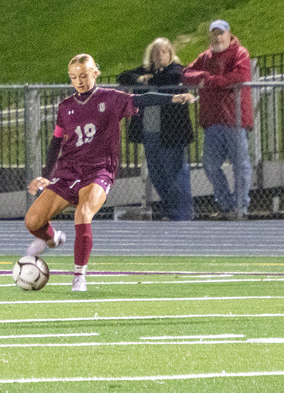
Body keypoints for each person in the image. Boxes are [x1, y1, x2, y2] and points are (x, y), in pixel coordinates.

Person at [25, 54, 194, 292]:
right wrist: (46, 174)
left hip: (98, 171)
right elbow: (56, 143)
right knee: (32, 221)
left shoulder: (111, 98)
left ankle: (79, 276)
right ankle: (52, 238)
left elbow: (142, 99)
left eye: (84, 75)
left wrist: (173, 97)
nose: (79, 81)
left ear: (96, 74)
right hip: (68, 172)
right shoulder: (65, 107)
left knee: (83, 213)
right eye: (74, 77)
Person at [116, 38, 195, 221]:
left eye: (164, 52)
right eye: (156, 52)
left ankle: (183, 213)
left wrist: (147, 81)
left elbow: (168, 79)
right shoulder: (146, 71)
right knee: (157, 172)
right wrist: (140, 79)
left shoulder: (176, 70)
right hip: (149, 130)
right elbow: (124, 76)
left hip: (171, 132)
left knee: (175, 172)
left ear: (170, 54)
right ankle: (170, 210)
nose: (159, 55)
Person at [182, 20, 253, 220]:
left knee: (241, 165)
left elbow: (240, 75)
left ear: (229, 34)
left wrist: (211, 81)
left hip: (235, 120)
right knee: (210, 165)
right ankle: (226, 204)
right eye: (214, 33)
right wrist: (204, 76)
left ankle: (241, 206)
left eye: (221, 33)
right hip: (212, 121)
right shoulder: (205, 57)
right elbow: (186, 74)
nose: (217, 37)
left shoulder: (240, 53)